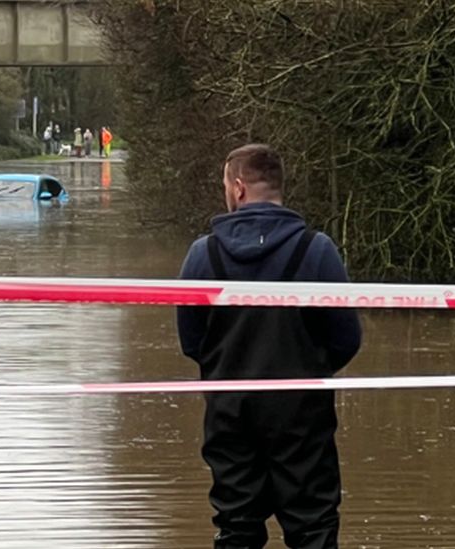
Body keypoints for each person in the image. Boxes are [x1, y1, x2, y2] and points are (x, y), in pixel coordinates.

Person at [177, 144, 361, 549]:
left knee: (236, 530)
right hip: (303, 417)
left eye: (225, 184)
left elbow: (191, 340)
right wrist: (312, 369)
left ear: (238, 188)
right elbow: (347, 338)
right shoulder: (318, 251)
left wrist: (226, 371)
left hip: (229, 415)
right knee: (313, 531)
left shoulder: (201, 256)